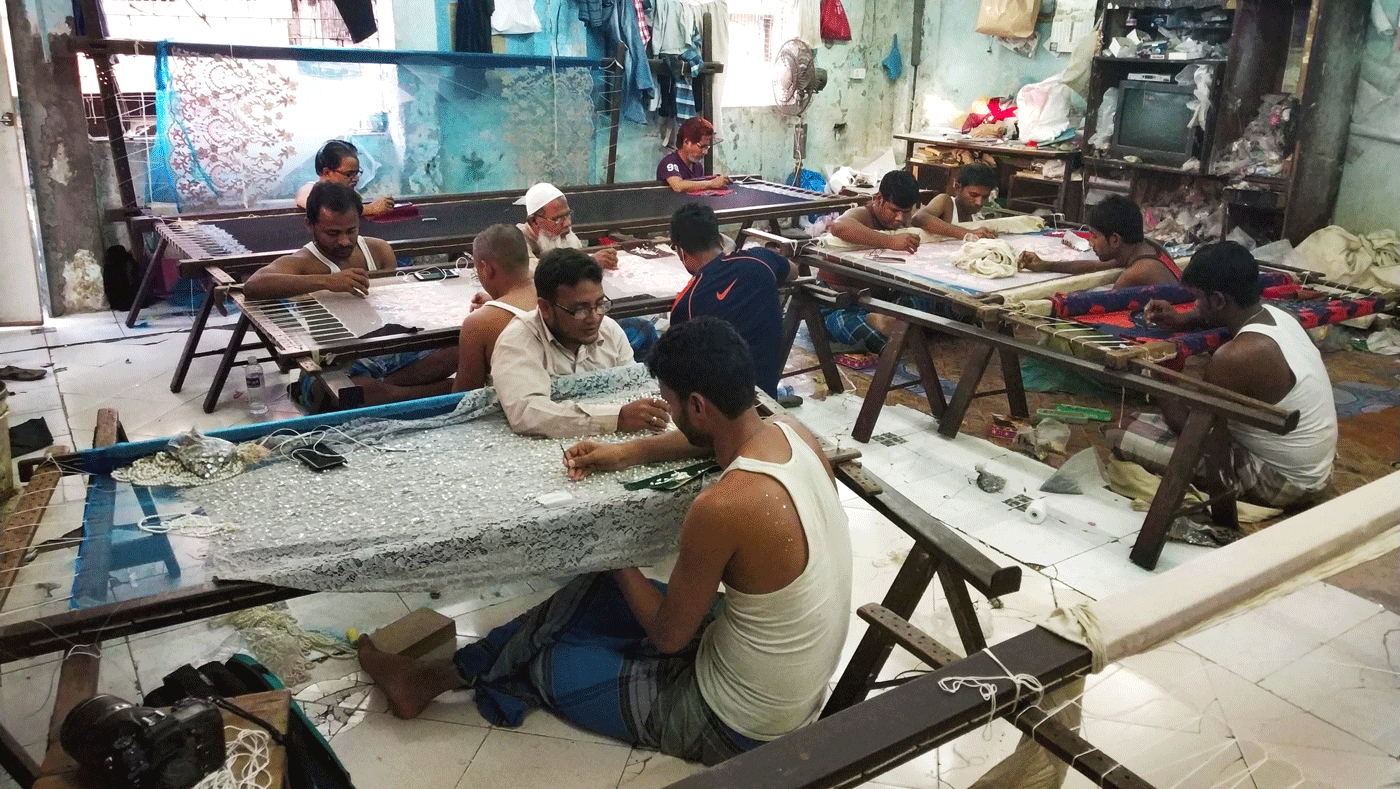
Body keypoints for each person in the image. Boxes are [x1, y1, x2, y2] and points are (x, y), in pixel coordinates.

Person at [357, 317, 852, 766]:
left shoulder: (723, 508)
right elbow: (708, 437)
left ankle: (440, 679)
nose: (671, 413)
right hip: (787, 684)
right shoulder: (792, 432)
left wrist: (610, 549)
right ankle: (440, 676)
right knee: (590, 593)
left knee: (548, 658)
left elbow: (667, 637)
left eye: (672, 402)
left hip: (736, 724)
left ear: (696, 406)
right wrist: (627, 452)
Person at [1109, 241, 1337, 509]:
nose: (1195, 304)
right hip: (1315, 467)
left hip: (1284, 482)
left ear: (1217, 300)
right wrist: (1185, 319)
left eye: (1198, 297)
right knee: (1147, 421)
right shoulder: (1279, 316)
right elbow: (1221, 315)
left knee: (1120, 432)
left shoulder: (1234, 356)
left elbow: (1191, 429)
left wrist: (1159, 378)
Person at [245, 182, 458, 410]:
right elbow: (254, 285)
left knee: (464, 347)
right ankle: (445, 390)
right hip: (334, 363)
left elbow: (397, 309)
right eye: (332, 233)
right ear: (310, 225)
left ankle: (388, 393)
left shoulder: (378, 251)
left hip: (386, 353)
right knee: (350, 390)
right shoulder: (304, 262)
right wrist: (327, 281)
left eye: (351, 231)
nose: (344, 240)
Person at [491, 248, 672, 438]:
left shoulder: (609, 331)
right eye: (580, 310)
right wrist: (617, 418)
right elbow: (528, 414)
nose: (594, 318)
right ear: (545, 307)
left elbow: (633, 387)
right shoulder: (517, 342)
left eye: (600, 304)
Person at [668, 203, 794, 397]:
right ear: (720, 239)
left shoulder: (687, 303)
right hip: (767, 396)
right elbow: (792, 270)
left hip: (720, 413)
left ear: (681, 252)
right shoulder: (761, 260)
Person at [819, 170, 935, 354]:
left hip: (877, 299)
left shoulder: (903, 221)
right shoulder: (864, 215)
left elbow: (925, 218)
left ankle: (886, 320)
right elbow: (839, 226)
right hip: (839, 301)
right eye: (894, 210)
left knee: (928, 303)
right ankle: (882, 322)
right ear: (878, 198)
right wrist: (891, 241)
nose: (900, 218)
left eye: (905, 212)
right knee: (877, 338)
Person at [1018, 195, 1182, 288]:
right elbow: (1095, 266)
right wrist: (1046, 265)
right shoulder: (1151, 249)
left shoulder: (1134, 275)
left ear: (1115, 239)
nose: (1090, 242)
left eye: (1094, 236)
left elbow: (1106, 309)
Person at [453, 224, 537, 393]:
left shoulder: (479, 324)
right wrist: (497, 301)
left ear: (486, 269)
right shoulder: (555, 293)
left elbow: (465, 398)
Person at [516, 182, 619, 270]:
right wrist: (589, 262)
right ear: (534, 221)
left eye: (567, 215)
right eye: (558, 219)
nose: (567, 223)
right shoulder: (517, 240)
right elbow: (534, 273)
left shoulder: (560, 234)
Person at [295, 140, 395, 218]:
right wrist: (370, 209)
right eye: (349, 174)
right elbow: (323, 208)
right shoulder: (308, 189)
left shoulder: (352, 195)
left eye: (356, 173)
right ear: (326, 172)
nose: (356, 179)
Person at [911, 162, 998, 241]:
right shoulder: (946, 202)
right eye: (973, 195)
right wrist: (968, 233)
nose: (979, 202)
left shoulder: (976, 217)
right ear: (957, 188)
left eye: (985, 197)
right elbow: (919, 218)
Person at [658, 117, 730, 193]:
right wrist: (711, 183)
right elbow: (678, 186)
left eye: (707, 147)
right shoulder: (669, 162)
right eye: (701, 146)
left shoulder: (698, 167)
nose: (705, 152)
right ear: (686, 142)